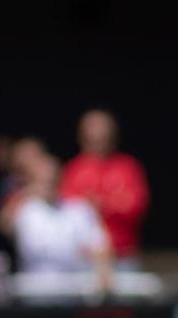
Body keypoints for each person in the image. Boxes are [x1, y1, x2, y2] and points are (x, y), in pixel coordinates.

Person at [60, 109, 149, 268]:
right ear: (83, 135)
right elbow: (66, 209)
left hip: (123, 254)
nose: (99, 136)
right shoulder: (74, 169)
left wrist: (103, 204)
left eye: (104, 131)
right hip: (85, 258)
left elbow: (136, 205)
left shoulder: (127, 167)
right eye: (93, 131)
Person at [12, 154, 112, 286]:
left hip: (74, 293)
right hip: (37, 294)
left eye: (53, 180)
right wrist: (80, 252)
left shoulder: (79, 209)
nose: (49, 185)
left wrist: (100, 262)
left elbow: (101, 245)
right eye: (43, 181)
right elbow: (32, 249)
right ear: (33, 182)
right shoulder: (26, 211)